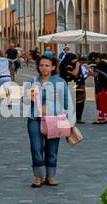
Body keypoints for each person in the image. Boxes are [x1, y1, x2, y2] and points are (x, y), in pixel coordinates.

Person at [25, 54, 74, 188]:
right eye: (41, 65)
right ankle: (38, 177)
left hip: (55, 119)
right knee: (36, 148)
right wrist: (30, 96)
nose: (44, 68)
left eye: (47, 65)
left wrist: (70, 121)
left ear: (53, 67)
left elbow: (67, 102)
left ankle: (50, 176)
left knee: (52, 149)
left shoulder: (59, 82)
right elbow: (25, 101)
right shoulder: (32, 82)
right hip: (35, 119)